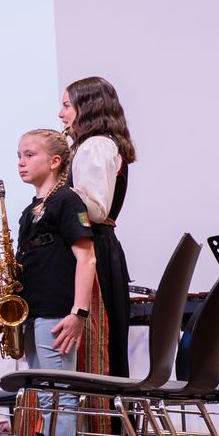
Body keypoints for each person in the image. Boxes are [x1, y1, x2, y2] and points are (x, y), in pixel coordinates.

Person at [10, 129, 95, 436]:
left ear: (55, 161)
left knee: (63, 399)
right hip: (32, 315)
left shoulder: (66, 199)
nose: (21, 162)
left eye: (29, 155)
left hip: (58, 314)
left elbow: (86, 259)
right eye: (19, 155)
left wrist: (78, 312)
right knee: (48, 400)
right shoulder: (30, 210)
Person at [59, 77, 137, 380]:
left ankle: (98, 423)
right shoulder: (101, 145)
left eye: (67, 105)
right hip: (102, 246)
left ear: (86, 107)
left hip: (96, 248)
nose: (61, 113)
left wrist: (60, 196)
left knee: (96, 350)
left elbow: (95, 208)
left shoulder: (94, 146)